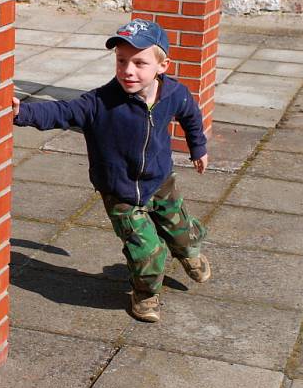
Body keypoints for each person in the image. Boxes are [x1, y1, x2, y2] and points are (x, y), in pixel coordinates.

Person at [12, 18, 212, 323]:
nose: (128, 70)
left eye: (139, 62)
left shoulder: (174, 94)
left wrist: (198, 148)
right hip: (120, 192)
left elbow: (191, 116)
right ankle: (145, 294)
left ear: (162, 66)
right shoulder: (100, 102)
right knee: (147, 252)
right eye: (121, 61)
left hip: (160, 181)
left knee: (182, 233)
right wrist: (22, 111)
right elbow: (61, 111)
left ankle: (190, 254)